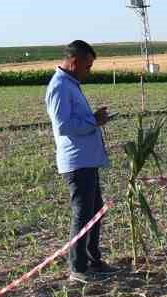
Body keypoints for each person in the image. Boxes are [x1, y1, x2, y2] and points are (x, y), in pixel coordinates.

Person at [46, 40, 116, 282]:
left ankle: (93, 261)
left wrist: (94, 118)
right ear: (74, 62)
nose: (89, 72)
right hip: (77, 163)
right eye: (87, 66)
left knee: (95, 212)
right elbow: (63, 125)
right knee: (82, 214)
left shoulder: (70, 85)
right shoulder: (59, 87)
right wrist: (93, 122)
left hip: (87, 160)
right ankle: (78, 268)